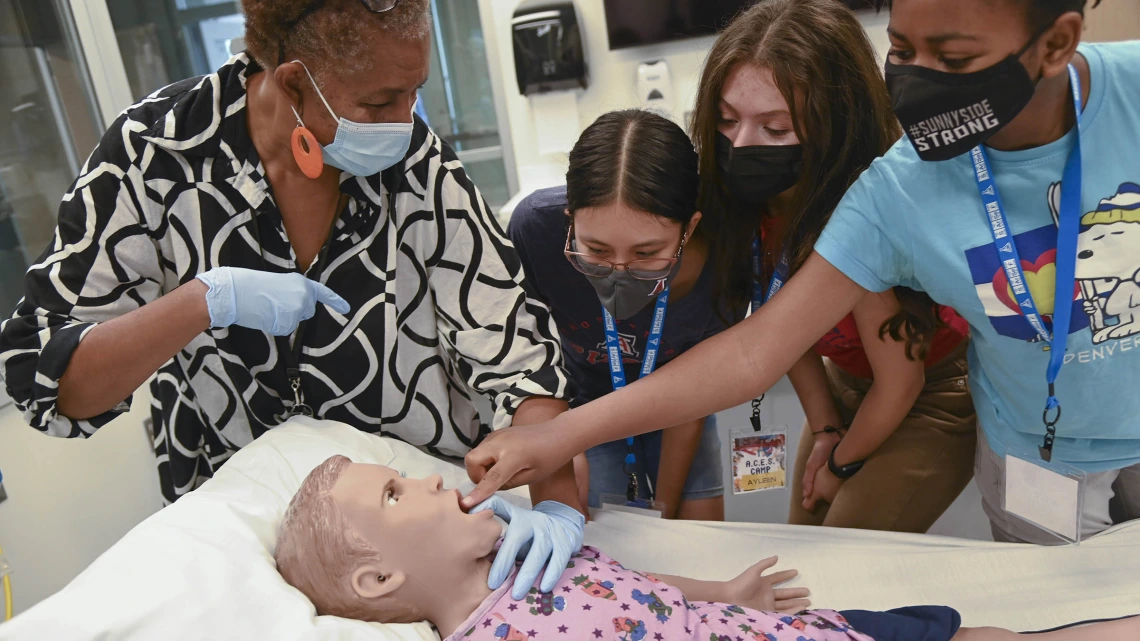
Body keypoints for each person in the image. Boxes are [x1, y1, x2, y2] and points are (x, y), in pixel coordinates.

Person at [462, 0, 1140, 547]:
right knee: (826, 560)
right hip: (1036, 454)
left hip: (979, 405)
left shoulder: (1128, 90)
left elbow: (898, 377)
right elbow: (759, 347)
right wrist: (558, 434)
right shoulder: (890, 194)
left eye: (953, 57)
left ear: (1056, 44)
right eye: (901, 51)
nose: (919, 77)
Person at [0, 0, 583, 589]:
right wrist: (204, 299)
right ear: (295, 82)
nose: (405, 122)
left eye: (416, 92)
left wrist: (560, 508)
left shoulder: (419, 169)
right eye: (379, 102)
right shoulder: (155, 156)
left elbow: (519, 357)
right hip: (247, 519)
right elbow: (45, 379)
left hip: (413, 522)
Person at [274, 456, 1140, 641]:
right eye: (395, 494)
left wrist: (725, 590)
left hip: (803, 630)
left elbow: (636, 581)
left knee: (971, 635)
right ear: (382, 576)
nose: (429, 480)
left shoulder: (522, 559)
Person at [690, 0, 974, 532]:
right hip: (844, 385)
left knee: (840, 561)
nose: (742, 145)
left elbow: (901, 381)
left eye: (775, 129)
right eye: (727, 121)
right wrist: (824, 430)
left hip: (928, 394)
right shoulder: (748, 202)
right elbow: (782, 332)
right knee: (803, 547)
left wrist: (842, 463)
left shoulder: (865, 212)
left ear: (835, 125)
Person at [508, 110, 724, 521]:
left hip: (681, 408)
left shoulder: (723, 261)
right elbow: (527, 350)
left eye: (646, 254)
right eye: (597, 251)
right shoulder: (535, 230)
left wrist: (664, 510)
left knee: (697, 538)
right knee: (597, 549)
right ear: (569, 220)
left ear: (689, 230)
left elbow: (695, 396)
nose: (617, 272)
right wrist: (558, 436)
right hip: (582, 407)